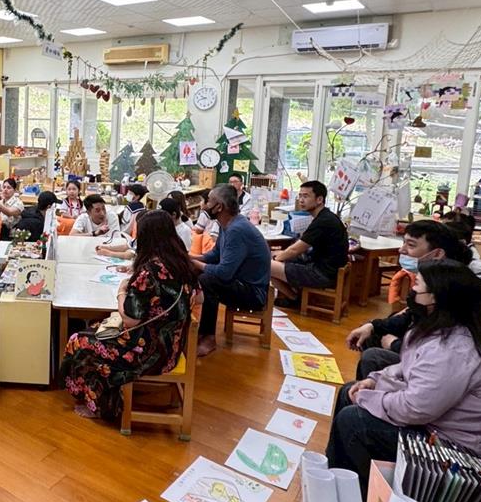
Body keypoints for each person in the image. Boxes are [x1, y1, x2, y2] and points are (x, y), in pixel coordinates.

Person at [326, 260, 481, 495]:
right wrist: (375, 381)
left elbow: (415, 408)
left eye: (417, 285)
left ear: (434, 298)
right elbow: (410, 366)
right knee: (350, 391)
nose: (412, 291)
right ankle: (335, 476)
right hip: (439, 425)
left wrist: (370, 398)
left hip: (457, 452)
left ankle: (352, 494)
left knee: (353, 420)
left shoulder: (455, 348)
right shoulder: (446, 326)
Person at [61, 210, 197, 421]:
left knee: (78, 341)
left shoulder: (149, 271)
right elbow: (200, 297)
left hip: (147, 354)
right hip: (172, 347)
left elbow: (130, 319)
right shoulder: (182, 263)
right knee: (96, 327)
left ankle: (100, 405)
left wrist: (122, 292)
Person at [346, 220, 473, 379]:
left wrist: (395, 345)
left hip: (433, 367)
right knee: (369, 333)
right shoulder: (431, 279)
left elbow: (437, 349)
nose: (402, 250)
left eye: (411, 245)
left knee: (373, 357)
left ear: (437, 254)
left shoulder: (453, 287)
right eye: (403, 243)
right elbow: (410, 316)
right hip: (418, 349)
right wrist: (372, 325)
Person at [190, 184, 271, 357]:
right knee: (195, 271)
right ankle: (192, 328)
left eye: (208, 201)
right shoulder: (226, 224)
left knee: (207, 280)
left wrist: (196, 264)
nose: (204, 205)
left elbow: (224, 273)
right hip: (239, 282)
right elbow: (215, 254)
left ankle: (208, 337)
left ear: (219, 207)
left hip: (253, 293)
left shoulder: (236, 230)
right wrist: (191, 259)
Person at [270, 180, 349, 305]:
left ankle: (294, 299)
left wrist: (277, 258)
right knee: (275, 256)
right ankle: (296, 297)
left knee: (266, 264)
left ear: (319, 199)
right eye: (300, 196)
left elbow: (296, 249)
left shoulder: (323, 221)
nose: (301, 200)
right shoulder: (325, 216)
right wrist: (279, 255)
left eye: (306, 196)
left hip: (321, 273)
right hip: (324, 268)